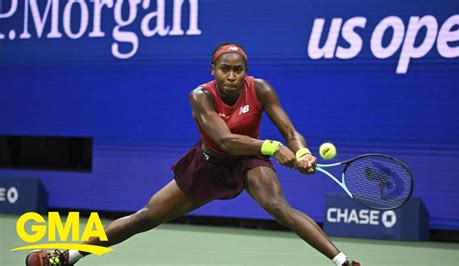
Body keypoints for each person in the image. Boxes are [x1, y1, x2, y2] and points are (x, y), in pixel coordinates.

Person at [25, 43, 360, 266]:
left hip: (249, 162)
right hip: (209, 164)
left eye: (238, 69)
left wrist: (301, 151)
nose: (231, 76)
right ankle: (67, 256)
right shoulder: (200, 96)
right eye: (225, 69)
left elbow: (289, 129)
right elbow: (226, 140)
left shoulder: (260, 88)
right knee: (145, 217)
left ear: (246, 70)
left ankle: (343, 262)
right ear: (213, 69)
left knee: (278, 207)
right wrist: (272, 148)